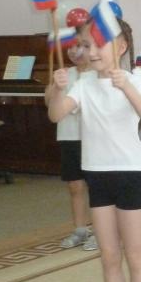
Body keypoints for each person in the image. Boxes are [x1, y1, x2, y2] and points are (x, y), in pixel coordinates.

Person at [47, 17, 141, 282]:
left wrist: (127, 88)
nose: (90, 51)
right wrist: (57, 89)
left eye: (97, 44)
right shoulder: (82, 84)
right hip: (98, 175)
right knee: (109, 256)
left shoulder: (133, 78)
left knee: (134, 254)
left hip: (128, 175)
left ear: (120, 47)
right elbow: (56, 115)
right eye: (85, 45)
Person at [45, 36, 98, 250]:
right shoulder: (65, 74)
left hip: (92, 137)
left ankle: (100, 230)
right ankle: (80, 229)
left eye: (81, 46)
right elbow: (48, 102)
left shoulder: (98, 74)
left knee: (96, 187)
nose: (75, 51)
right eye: (70, 47)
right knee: (75, 186)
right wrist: (55, 87)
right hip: (68, 136)